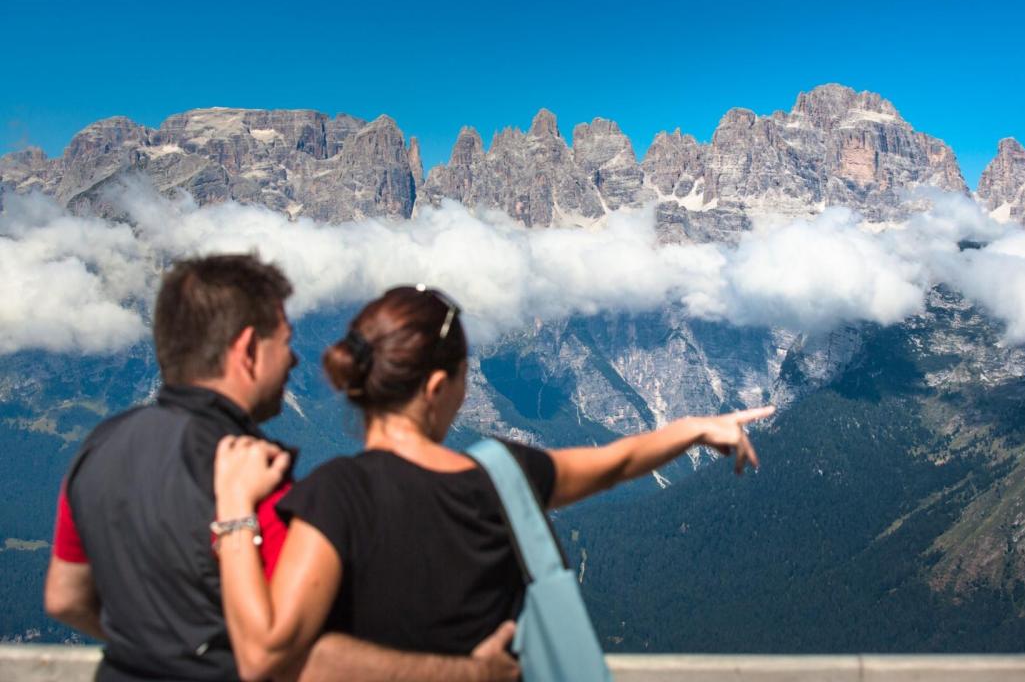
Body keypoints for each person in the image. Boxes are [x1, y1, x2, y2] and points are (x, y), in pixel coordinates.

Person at [213, 284, 774, 680]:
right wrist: (695, 428)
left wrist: (236, 509)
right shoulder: (505, 476)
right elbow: (617, 462)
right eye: (463, 377)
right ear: (436, 387)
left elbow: (267, 656)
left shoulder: (336, 493)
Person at [44, 256, 518, 682]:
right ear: (247, 350)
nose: (294, 359)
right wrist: (473, 673)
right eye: (286, 342)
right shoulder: (252, 473)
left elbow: (65, 597)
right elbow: (307, 660)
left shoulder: (98, 445)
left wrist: (153, 641)